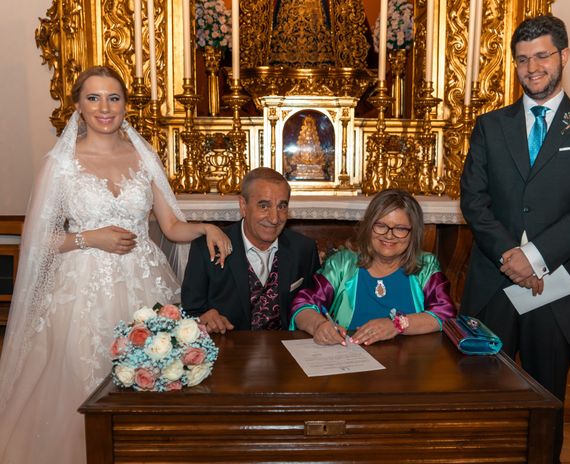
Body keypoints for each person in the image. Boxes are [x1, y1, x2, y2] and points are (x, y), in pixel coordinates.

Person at [0, 66, 232, 464]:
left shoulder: (143, 156)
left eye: (113, 98)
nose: (104, 108)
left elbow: (171, 225)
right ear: (77, 106)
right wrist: (92, 237)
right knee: (80, 376)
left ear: (125, 105)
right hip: (80, 291)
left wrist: (206, 227)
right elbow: (39, 239)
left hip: (144, 283)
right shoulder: (60, 164)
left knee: (152, 371)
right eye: (93, 98)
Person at [459, 15, 570, 462]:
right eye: (523, 59)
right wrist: (510, 257)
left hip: (555, 286)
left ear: (563, 56)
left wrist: (534, 257)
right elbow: (474, 200)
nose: (532, 68)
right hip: (495, 281)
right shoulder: (491, 126)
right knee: (485, 396)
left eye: (542, 56)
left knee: (545, 405)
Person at [290, 189, 456, 345]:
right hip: (349, 362)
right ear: (369, 226)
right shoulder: (343, 263)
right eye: (381, 226)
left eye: (400, 229)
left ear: (413, 233)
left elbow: (445, 314)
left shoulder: (425, 266)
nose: (389, 235)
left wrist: (397, 325)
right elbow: (303, 304)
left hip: (409, 365)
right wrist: (319, 325)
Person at [182, 167, 321, 332]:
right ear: (243, 205)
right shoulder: (206, 249)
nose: (275, 218)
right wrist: (204, 318)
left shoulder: (304, 249)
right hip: (230, 352)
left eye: (282, 206)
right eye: (264, 206)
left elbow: (314, 304)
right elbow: (190, 312)